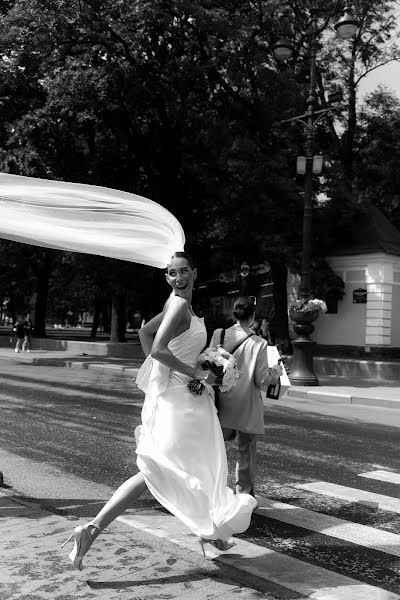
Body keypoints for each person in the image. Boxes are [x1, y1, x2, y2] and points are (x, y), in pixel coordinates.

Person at [62, 252, 257, 570]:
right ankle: (91, 530)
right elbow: (156, 348)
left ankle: (211, 533)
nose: (178, 278)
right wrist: (189, 374)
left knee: (197, 461)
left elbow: (145, 335)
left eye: (183, 272)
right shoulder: (178, 304)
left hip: (185, 396)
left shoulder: (180, 306)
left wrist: (172, 374)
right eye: (170, 273)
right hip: (179, 402)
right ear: (166, 277)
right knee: (162, 468)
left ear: (195, 272)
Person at [210, 296, 283, 497]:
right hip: (246, 405)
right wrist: (276, 371)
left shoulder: (219, 334)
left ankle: (214, 489)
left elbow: (210, 363)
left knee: (218, 448)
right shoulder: (259, 343)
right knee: (245, 450)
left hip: (220, 402)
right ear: (252, 317)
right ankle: (243, 493)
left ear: (235, 313)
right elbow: (261, 380)